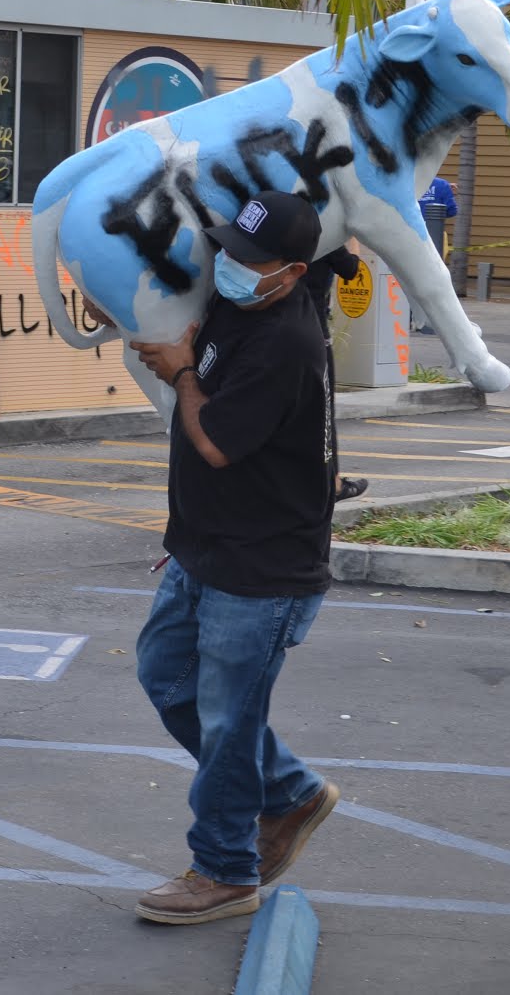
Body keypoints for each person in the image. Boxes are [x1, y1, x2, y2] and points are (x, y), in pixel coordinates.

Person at [127, 190, 340, 926]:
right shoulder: (240, 303)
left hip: (261, 569)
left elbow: (215, 442)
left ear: (294, 271)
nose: (232, 266)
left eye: (252, 260)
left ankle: (224, 869)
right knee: (165, 676)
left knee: (226, 721)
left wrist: (182, 373)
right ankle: (289, 793)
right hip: (204, 546)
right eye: (229, 250)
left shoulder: (286, 341)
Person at [301, 246, 368, 503]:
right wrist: (352, 240)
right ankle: (333, 484)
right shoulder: (323, 236)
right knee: (323, 413)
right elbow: (350, 269)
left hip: (272, 328)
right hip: (315, 333)